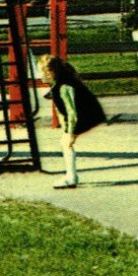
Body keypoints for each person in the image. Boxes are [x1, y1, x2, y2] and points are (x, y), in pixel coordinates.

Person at [40, 55, 105, 189]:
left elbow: (72, 113)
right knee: (65, 143)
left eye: (42, 72)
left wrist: (70, 132)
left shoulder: (64, 87)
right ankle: (71, 176)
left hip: (86, 116)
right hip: (89, 113)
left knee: (66, 143)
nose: (40, 76)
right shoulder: (64, 81)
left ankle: (71, 178)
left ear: (51, 72)